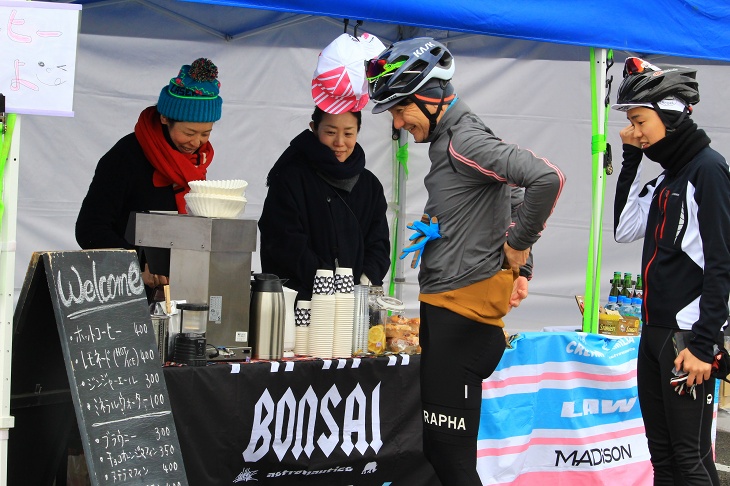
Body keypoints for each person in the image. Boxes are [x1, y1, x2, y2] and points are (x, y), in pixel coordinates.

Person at [366, 37, 565, 485]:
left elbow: (545, 179)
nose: (398, 123)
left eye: (400, 110)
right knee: (443, 456)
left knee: (450, 460)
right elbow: (511, 191)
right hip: (450, 313)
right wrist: (522, 267)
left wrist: (520, 246)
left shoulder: (464, 139)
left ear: (428, 97)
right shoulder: (451, 141)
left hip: (464, 320)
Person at [612, 57, 730, 485]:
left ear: (672, 115)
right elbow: (624, 229)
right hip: (653, 334)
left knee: (691, 460)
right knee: (661, 457)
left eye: (641, 121)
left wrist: (704, 345)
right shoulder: (668, 176)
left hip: (686, 340)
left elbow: (723, 264)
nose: (636, 132)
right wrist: (629, 158)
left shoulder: (709, 171)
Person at [75, 58, 223, 298]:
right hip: (121, 293)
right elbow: (89, 229)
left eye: (206, 133)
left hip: (179, 289)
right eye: (189, 133)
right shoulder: (125, 157)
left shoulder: (195, 163)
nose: (197, 143)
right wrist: (137, 264)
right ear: (165, 118)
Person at [258, 106, 390, 300]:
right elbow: (283, 240)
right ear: (314, 128)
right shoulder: (290, 177)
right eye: (330, 132)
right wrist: (327, 284)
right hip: (298, 302)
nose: (339, 142)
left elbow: (378, 244)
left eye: (348, 133)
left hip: (351, 305)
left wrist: (364, 283)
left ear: (358, 132)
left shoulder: (370, 186)